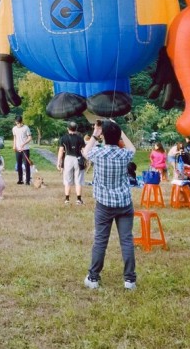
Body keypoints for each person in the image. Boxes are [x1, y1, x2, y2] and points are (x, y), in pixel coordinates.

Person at [82, 120, 137, 291]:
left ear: (104, 136)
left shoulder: (99, 153)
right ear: (118, 136)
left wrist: (95, 133)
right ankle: (129, 280)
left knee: (100, 241)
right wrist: (119, 131)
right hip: (124, 203)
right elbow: (132, 149)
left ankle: (93, 277)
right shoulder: (124, 154)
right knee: (127, 241)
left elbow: (85, 152)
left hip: (104, 204)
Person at [58, 121, 85, 205]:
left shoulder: (64, 138)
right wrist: (86, 160)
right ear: (76, 129)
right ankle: (78, 200)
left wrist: (59, 162)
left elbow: (61, 151)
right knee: (78, 179)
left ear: (67, 129)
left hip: (68, 158)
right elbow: (83, 150)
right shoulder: (80, 138)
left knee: (67, 180)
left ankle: (67, 199)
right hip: (78, 158)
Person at [12, 116, 33, 186]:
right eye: (17, 123)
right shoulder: (14, 129)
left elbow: (30, 138)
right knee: (19, 165)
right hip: (18, 149)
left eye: (19, 123)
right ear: (15, 122)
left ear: (22, 122)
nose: (18, 125)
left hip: (25, 149)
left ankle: (27, 181)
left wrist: (23, 144)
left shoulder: (26, 128)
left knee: (27, 165)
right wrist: (14, 145)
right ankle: (20, 180)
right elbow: (14, 137)